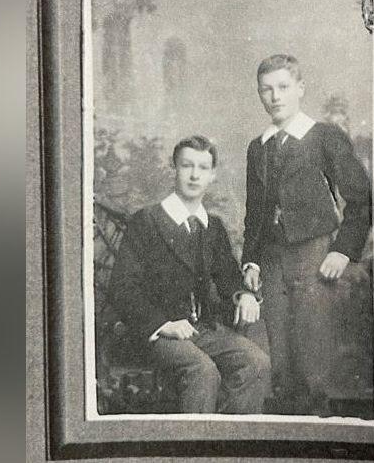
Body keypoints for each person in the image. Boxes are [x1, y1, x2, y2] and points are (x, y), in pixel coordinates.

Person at [241, 54, 373, 415]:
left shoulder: (324, 137)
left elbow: (361, 199)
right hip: (271, 261)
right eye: (266, 90)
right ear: (259, 95)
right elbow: (255, 213)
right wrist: (250, 259)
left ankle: (318, 430)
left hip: (314, 255)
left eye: (283, 87)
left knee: (314, 358)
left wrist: (343, 250)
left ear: (300, 88)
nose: (275, 97)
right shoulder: (259, 147)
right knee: (280, 358)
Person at [110, 135, 270, 414]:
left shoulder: (213, 227)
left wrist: (244, 295)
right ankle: (198, 449)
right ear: (175, 169)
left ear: (212, 175)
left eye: (203, 168)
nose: (195, 175)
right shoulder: (147, 221)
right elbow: (123, 288)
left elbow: (228, 278)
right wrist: (163, 324)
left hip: (201, 329)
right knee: (202, 370)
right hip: (156, 333)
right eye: (187, 166)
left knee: (256, 362)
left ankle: (227, 446)